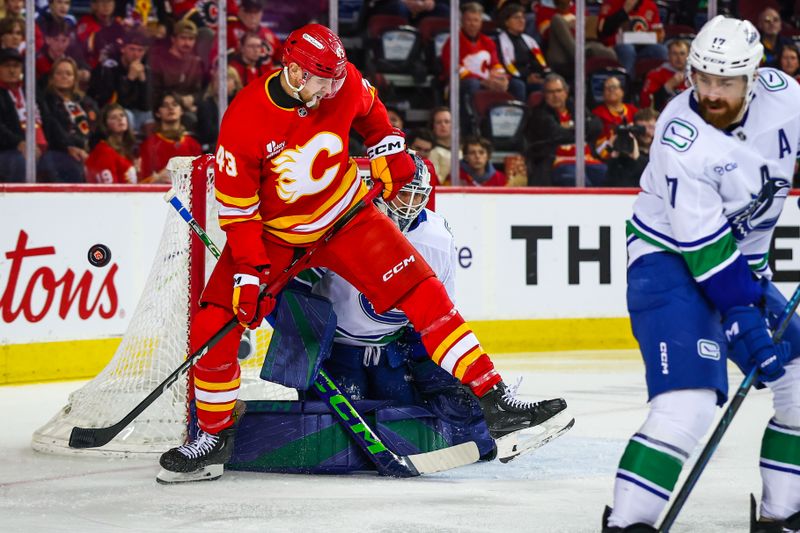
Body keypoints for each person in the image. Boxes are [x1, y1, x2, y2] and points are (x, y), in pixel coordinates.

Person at [156, 23, 568, 484]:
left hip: (347, 217)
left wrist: (388, 147)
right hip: (275, 236)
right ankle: (213, 437)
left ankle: (494, 401)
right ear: (293, 71)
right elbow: (237, 208)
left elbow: (373, 114)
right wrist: (250, 271)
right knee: (215, 319)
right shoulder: (246, 116)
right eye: (324, 80)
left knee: (423, 290)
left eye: (337, 77)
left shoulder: (341, 79)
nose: (335, 86)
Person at [603, 16, 800, 532]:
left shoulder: (787, 97)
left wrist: (745, 302)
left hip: (741, 267)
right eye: (702, 78)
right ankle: (627, 524)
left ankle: (784, 515)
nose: (711, 93)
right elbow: (706, 250)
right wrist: (741, 317)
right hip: (667, 261)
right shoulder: (679, 137)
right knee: (688, 404)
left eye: (726, 82)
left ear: (754, 76)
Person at [307, 156, 497, 461]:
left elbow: (440, 310)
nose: (409, 203)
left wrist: (426, 357)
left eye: (416, 195)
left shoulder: (436, 237)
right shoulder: (347, 222)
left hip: (391, 349)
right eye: (402, 193)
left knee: (405, 417)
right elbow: (303, 280)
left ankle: (470, 438)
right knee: (337, 438)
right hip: (337, 348)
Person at [441, 2, 509, 135]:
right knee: (473, 84)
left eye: (476, 20)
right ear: (462, 21)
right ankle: (470, 130)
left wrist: (501, 79)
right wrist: (482, 80)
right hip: (459, 85)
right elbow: (455, 69)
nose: (472, 24)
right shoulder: (453, 42)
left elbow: (496, 64)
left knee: (517, 85)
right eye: (469, 20)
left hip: (486, 82)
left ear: (481, 22)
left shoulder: (487, 42)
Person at [525, 73, 605, 186]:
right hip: (559, 162)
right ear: (544, 95)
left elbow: (597, 126)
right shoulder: (539, 113)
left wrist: (571, 128)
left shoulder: (576, 107)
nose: (555, 95)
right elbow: (558, 134)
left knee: (607, 176)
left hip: (587, 159)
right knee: (580, 182)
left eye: (558, 91)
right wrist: (580, 129)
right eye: (550, 92)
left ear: (565, 92)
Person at [39, 56, 98, 183]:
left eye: (68, 74)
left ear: (74, 78)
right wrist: (68, 147)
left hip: (86, 150)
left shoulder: (86, 102)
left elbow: (95, 128)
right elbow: (52, 128)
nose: (64, 77)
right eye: (59, 73)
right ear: (52, 77)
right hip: (60, 150)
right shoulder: (46, 101)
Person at [87, 28, 153, 135]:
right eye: (132, 49)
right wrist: (129, 79)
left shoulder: (144, 68)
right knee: (126, 116)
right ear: (123, 49)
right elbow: (113, 103)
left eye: (140, 50)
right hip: (107, 111)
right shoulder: (110, 66)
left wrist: (143, 81)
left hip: (132, 110)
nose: (136, 54)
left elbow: (146, 106)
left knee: (148, 116)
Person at [0, 47, 46, 182]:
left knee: (63, 162)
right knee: (20, 162)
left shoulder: (30, 89)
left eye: (16, 66)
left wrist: (67, 145)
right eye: (6, 66)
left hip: (39, 148)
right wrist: (19, 142)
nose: (12, 70)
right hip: (8, 149)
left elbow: (49, 119)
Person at [149, 19, 205, 126]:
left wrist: (192, 99)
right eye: (183, 38)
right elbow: (155, 93)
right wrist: (180, 101)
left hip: (187, 108)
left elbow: (199, 91)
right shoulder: (158, 60)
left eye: (191, 39)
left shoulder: (195, 62)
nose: (187, 43)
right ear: (173, 39)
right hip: (163, 109)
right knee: (190, 119)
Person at [138, 91, 202, 183]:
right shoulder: (149, 145)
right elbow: (142, 182)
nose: (170, 108)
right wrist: (157, 179)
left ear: (181, 111)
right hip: (158, 195)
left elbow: (201, 179)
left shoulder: (193, 144)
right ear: (157, 113)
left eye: (175, 104)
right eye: (165, 105)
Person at [597, 0, 667, 79]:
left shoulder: (650, 4)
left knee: (661, 50)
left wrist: (659, 35)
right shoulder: (611, 2)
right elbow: (602, 31)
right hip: (617, 45)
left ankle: (656, 86)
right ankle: (626, 84)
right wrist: (624, 10)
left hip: (642, 47)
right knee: (627, 50)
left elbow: (656, 30)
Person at [495, 2, 550, 102]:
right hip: (512, 78)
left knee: (551, 81)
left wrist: (539, 75)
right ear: (506, 22)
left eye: (523, 18)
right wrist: (526, 78)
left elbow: (539, 62)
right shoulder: (499, 41)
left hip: (531, 77)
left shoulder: (530, 41)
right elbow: (505, 65)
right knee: (519, 85)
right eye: (516, 18)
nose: (521, 21)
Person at [85, 102, 138, 183]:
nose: (120, 119)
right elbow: (110, 191)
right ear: (105, 125)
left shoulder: (128, 149)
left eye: (122, 115)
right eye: (113, 117)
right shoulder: (104, 152)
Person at [603, 107, 656, 187]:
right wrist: (612, 153)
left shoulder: (661, 152)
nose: (646, 132)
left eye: (651, 127)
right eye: (641, 129)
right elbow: (610, 184)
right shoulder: (625, 151)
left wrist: (638, 159)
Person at [196, 66, 242, 152]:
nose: (220, 83)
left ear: (235, 84)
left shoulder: (241, 105)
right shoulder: (206, 105)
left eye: (226, 79)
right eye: (217, 79)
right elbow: (208, 134)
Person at [593, 75, 638, 161]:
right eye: (607, 88)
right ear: (603, 93)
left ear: (622, 91)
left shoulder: (634, 111)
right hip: (608, 156)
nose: (611, 90)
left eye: (614, 87)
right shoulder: (597, 113)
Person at [638, 39, 689, 111]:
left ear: (688, 56)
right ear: (668, 55)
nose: (679, 58)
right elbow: (645, 104)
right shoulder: (655, 75)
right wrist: (666, 87)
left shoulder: (695, 75)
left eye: (682, 53)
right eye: (674, 53)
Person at [427, 106, 459, 183]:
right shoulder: (431, 151)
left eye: (447, 121)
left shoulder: (462, 149)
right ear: (433, 126)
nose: (443, 125)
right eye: (438, 122)